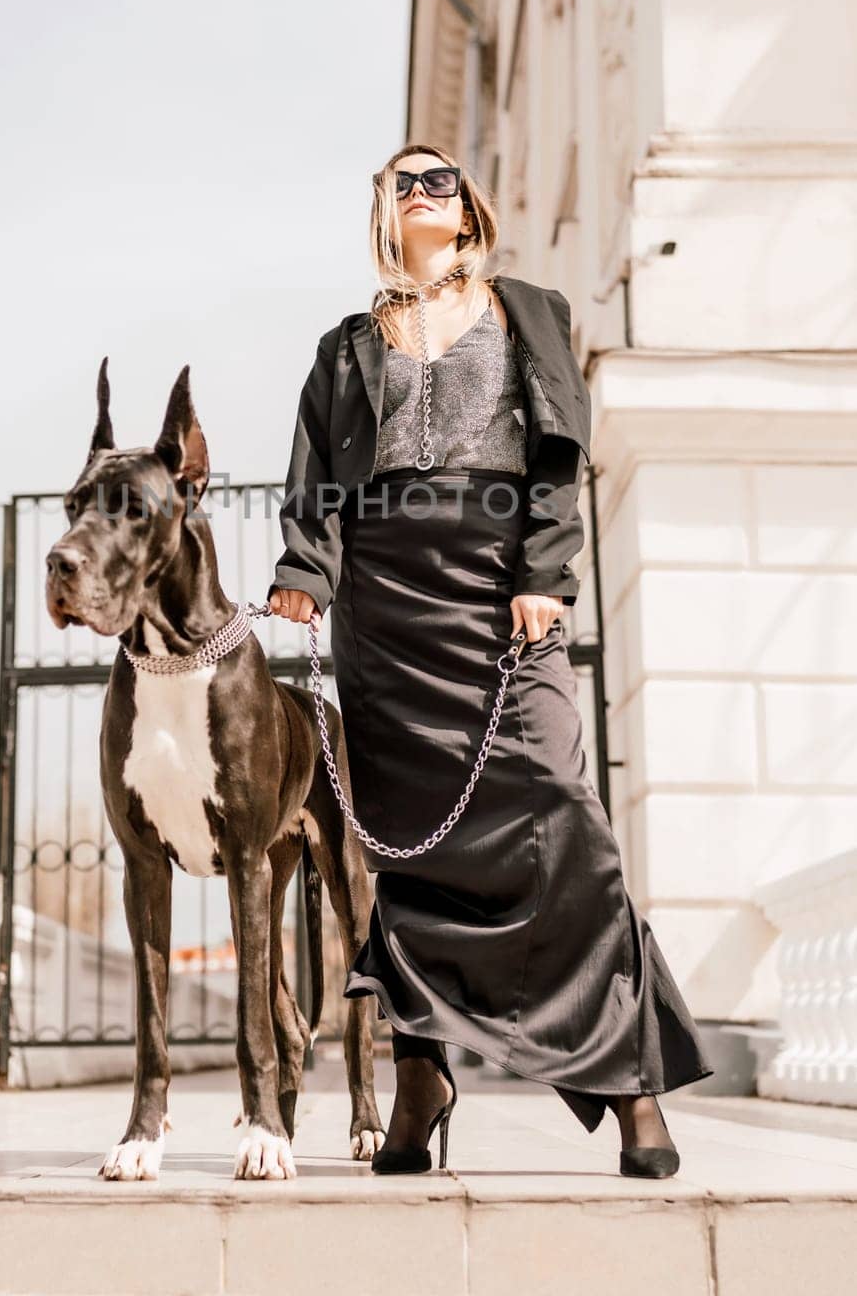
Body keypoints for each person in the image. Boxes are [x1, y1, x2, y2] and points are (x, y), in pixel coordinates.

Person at [266, 143, 712, 1177]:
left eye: (440, 178)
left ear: (468, 205)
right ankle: (420, 1074)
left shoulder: (527, 310)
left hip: (497, 593)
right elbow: (313, 480)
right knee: (410, 852)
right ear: (385, 209)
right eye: (402, 180)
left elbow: (558, 454)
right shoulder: (345, 347)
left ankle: (628, 1080)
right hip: (385, 614)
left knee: (562, 819)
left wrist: (544, 572)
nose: (423, 190)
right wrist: (304, 569)